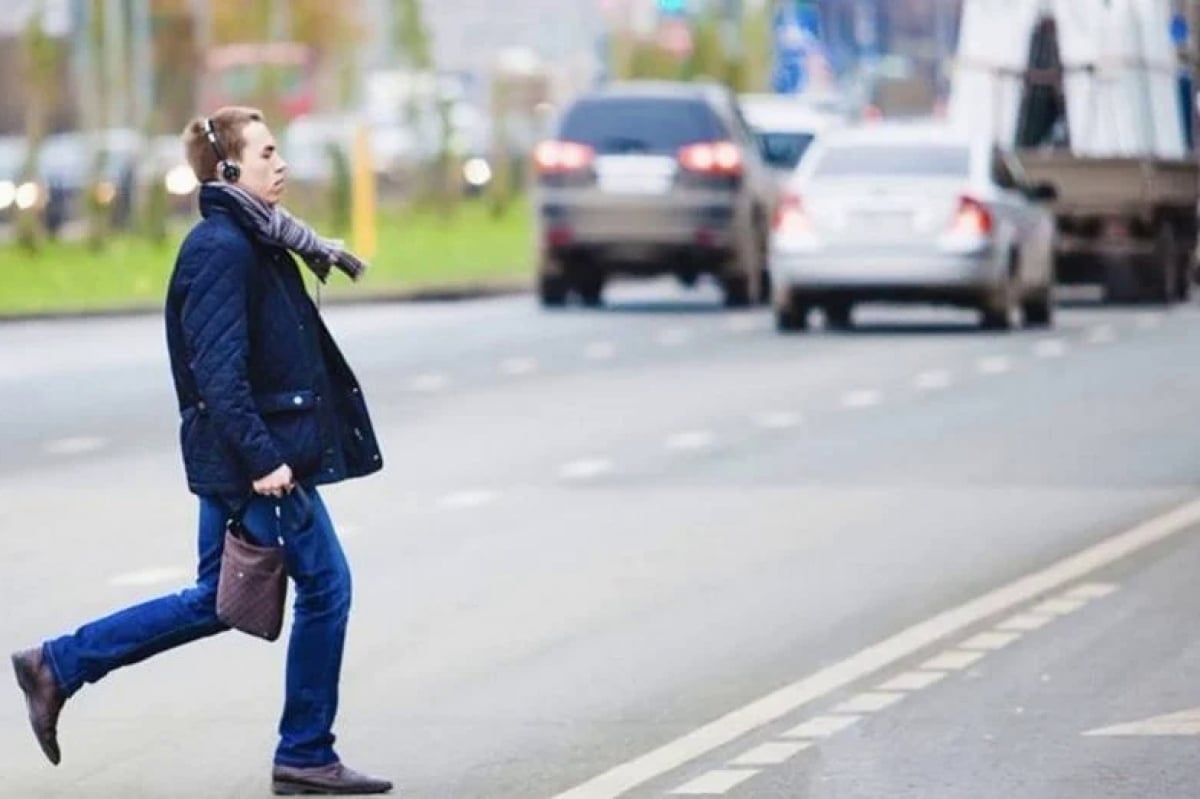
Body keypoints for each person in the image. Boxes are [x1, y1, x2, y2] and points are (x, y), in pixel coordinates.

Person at [10, 106, 393, 796]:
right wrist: (263, 459)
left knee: (216, 601)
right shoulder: (223, 249)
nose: (282, 164)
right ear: (229, 168)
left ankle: (58, 664)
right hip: (256, 461)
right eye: (268, 152)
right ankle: (305, 748)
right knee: (327, 587)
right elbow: (219, 374)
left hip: (250, 455)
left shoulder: (259, 239)